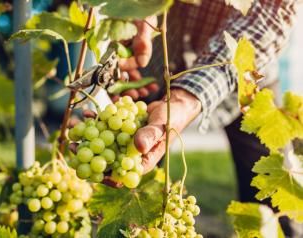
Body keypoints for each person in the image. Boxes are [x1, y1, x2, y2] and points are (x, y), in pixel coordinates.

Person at [115, 0, 300, 236]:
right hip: (152, 65)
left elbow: (273, 11)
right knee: (136, 188)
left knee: (276, 198)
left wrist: (186, 99)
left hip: (247, 77)